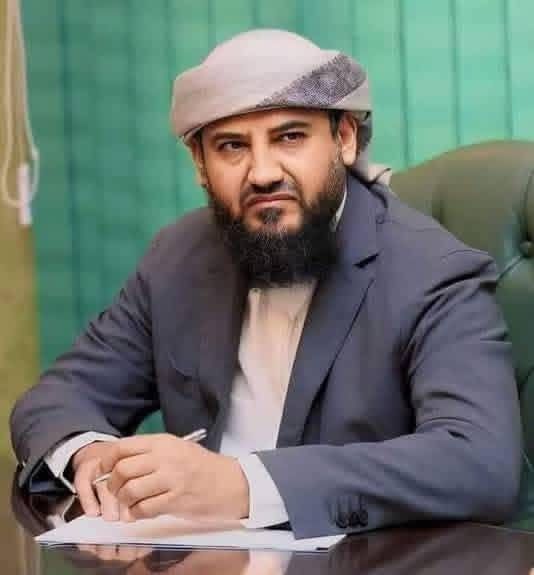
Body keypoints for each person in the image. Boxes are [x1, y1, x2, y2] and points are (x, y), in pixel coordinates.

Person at [10, 29, 522, 539]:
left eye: (289, 137)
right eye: (232, 146)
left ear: (344, 139)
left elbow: (478, 460)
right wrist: (89, 453)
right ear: (200, 165)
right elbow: (58, 397)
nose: (262, 173)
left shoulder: (432, 271)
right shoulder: (178, 257)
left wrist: (242, 485)